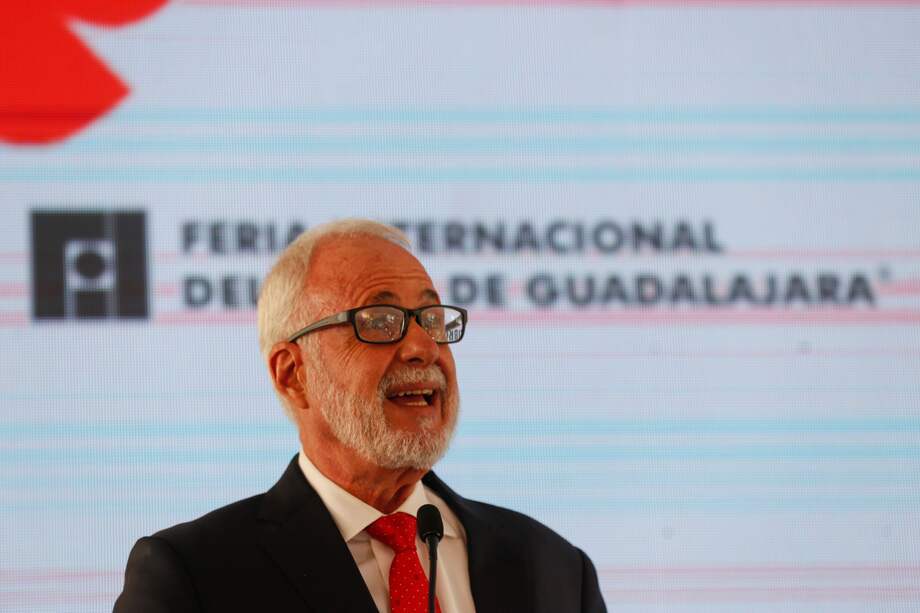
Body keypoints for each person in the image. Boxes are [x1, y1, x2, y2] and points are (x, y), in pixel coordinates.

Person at [114, 219, 606, 613]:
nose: (421, 347)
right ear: (292, 374)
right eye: (378, 322)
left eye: (432, 319)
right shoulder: (194, 576)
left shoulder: (553, 569)